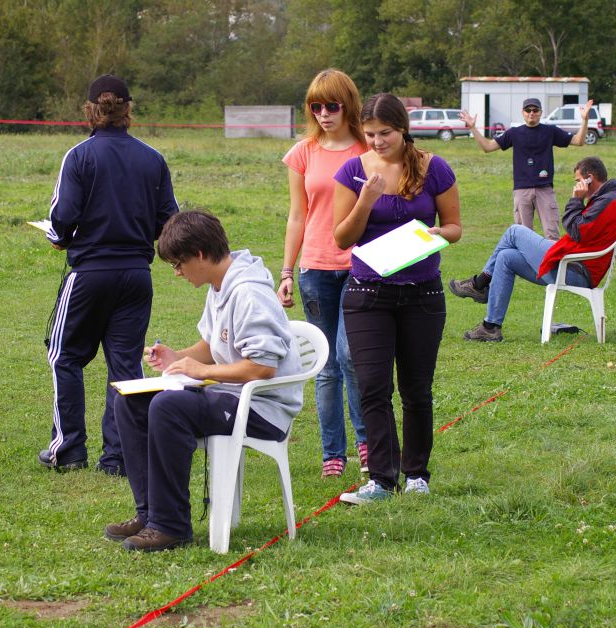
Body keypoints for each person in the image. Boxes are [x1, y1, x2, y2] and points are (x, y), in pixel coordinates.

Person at [105, 209, 304, 551]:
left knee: (169, 406)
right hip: (231, 396)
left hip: (262, 409)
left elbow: (262, 368)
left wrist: (202, 372)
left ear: (199, 254)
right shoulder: (220, 286)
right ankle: (151, 514)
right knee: (130, 403)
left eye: (179, 263)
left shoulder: (249, 293)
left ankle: (171, 526)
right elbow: (213, 346)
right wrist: (178, 358)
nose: (177, 272)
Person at [40, 74, 178, 475]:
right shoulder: (153, 159)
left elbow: (62, 219)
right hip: (136, 275)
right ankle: (118, 458)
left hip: (90, 273)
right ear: (128, 110)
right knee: (124, 367)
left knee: (64, 356)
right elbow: (168, 223)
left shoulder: (79, 157)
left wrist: (59, 236)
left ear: (90, 110)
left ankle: (68, 449)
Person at [331, 94, 462, 504]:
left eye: (384, 133)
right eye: (369, 134)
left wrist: (441, 234)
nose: (375, 142)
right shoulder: (352, 172)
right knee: (372, 386)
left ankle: (417, 475)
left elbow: (455, 226)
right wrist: (367, 200)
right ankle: (381, 481)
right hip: (368, 292)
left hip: (422, 292)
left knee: (416, 389)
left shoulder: (433, 167)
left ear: (402, 128)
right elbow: (342, 237)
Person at [278, 68, 368, 478]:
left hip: (360, 265)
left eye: (332, 105)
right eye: (316, 106)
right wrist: (286, 271)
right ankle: (334, 452)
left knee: (352, 356)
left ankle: (367, 443)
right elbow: (298, 215)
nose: (324, 113)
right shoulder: (303, 152)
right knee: (326, 364)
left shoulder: (369, 148)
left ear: (348, 104)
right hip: (315, 268)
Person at [448, 156, 616, 342]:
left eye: (578, 181)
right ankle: (490, 327)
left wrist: (576, 199)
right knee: (505, 257)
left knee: (514, 232)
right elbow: (582, 234)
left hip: (574, 271)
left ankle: (479, 284)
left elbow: (575, 229)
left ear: (589, 178)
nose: (576, 186)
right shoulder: (607, 199)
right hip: (575, 264)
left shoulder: (608, 202)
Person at [460, 98, 593, 240]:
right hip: (521, 190)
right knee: (523, 237)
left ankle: (553, 262)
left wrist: (584, 120)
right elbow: (487, 147)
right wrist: (473, 128)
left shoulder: (550, 131)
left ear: (541, 113)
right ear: (522, 113)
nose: (531, 113)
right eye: (528, 110)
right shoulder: (514, 133)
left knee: (552, 234)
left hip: (545, 190)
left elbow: (578, 141)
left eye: (535, 110)